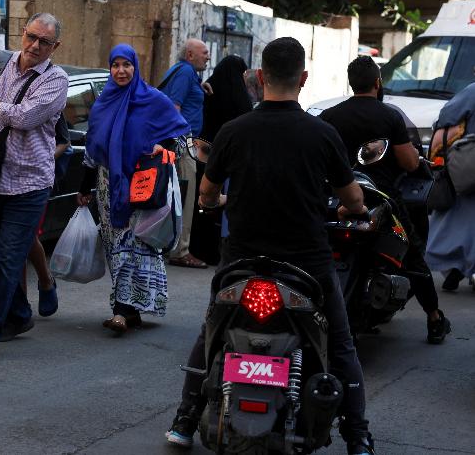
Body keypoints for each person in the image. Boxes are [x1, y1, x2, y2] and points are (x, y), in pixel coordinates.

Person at [165, 38, 375, 455]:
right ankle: (357, 436)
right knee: (340, 343)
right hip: (307, 265)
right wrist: (357, 211)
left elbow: (207, 194)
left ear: (259, 79)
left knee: (214, 329)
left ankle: (185, 419)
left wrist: (218, 201)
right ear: (304, 78)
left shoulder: (232, 131)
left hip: (241, 263)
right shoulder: (323, 134)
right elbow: (353, 200)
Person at [0, 12, 69, 361]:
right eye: (31, 37)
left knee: (6, 260)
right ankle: (20, 315)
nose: (35, 46)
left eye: (44, 42)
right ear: (23, 33)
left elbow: (24, 118)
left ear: (55, 46)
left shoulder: (56, 79)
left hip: (29, 183)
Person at [320, 56, 451, 344]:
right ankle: (434, 319)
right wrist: (417, 158)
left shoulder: (329, 116)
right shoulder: (389, 116)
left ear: (351, 83)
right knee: (413, 254)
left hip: (335, 198)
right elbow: (408, 163)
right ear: (378, 82)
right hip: (380, 198)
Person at [77, 44, 190, 332]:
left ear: (135, 67)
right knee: (115, 244)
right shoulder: (103, 103)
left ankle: (121, 310)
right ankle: (129, 309)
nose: (121, 71)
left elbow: (179, 135)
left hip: (143, 183)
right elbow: (92, 149)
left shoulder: (153, 100)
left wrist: (160, 145)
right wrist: (84, 187)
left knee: (135, 243)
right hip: (108, 186)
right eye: (115, 65)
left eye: (126, 65)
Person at [192, 55, 253, 265]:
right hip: (229, 159)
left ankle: (198, 249)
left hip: (203, 154)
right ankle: (217, 250)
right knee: (222, 205)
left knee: (201, 206)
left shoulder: (209, 89)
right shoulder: (240, 97)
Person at [159, 38, 211, 269]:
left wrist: (200, 86)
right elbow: (175, 106)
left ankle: (172, 245)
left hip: (180, 141)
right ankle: (181, 250)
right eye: (204, 52)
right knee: (186, 198)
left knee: (175, 197)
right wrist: (184, 143)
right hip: (182, 143)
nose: (208, 56)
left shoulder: (185, 72)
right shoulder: (185, 73)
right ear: (190, 55)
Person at [20, 115, 72, 317]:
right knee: (11, 239)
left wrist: (42, 159)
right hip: (3, 177)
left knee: (24, 236)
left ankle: (43, 282)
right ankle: (17, 301)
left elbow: (64, 141)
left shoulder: (50, 93)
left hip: (37, 180)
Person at [426, 82, 475, 291]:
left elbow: (446, 116)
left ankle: (456, 269)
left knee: (457, 222)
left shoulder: (470, 91)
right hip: (469, 164)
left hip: (466, 165)